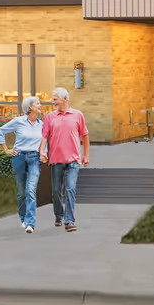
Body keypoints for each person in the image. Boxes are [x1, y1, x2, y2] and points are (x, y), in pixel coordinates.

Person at [41, 87, 89, 232]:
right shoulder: (50, 117)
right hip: (56, 160)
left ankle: (69, 221)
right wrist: (42, 150)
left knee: (70, 189)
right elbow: (44, 137)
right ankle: (58, 214)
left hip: (73, 160)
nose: (53, 101)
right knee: (56, 191)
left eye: (55, 99)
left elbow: (85, 136)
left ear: (65, 99)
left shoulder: (78, 115)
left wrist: (86, 155)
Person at [0, 96, 45, 233]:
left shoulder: (42, 124)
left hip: (34, 158)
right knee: (21, 192)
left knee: (31, 190)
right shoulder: (18, 121)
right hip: (19, 157)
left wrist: (43, 153)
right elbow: (0, 132)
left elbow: (44, 141)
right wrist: (6, 149)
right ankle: (23, 218)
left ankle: (30, 223)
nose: (40, 105)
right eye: (38, 104)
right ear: (30, 107)